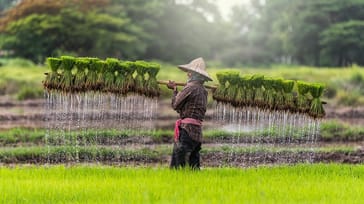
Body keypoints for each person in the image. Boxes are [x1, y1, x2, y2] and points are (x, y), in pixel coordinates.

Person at [167, 57, 213, 170]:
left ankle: (177, 182)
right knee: (194, 163)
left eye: (189, 72)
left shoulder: (190, 88)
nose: (187, 74)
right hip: (197, 131)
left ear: (191, 74)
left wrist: (174, 90)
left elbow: (175, 105)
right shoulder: (203, 90)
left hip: (187, 130)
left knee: (177, 163)